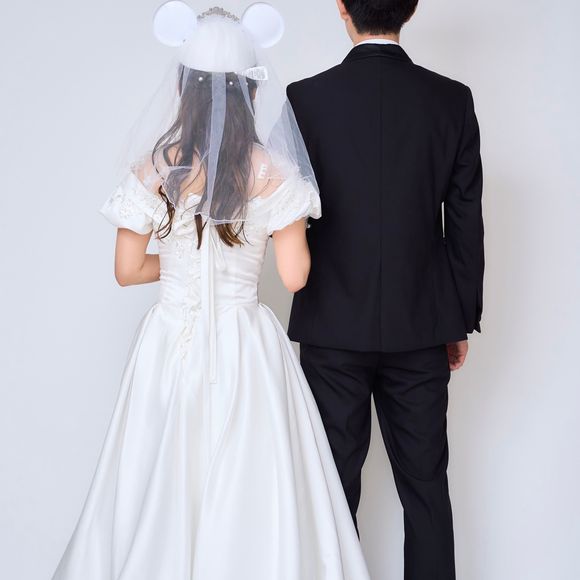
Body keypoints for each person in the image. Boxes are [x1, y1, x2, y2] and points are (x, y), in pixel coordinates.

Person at [51, 4, 370, 579]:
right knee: (256, 476)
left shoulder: (155, 168)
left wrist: (181, 270)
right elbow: (295, 276)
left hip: (170, 337)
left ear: (182, 86)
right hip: (245, 341)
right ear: (251, 91)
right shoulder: (273, 172)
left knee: (157, 473)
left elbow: (127, 269)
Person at [287, 0, 484, 578]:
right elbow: (465, 221)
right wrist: (458, 318)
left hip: (331, 325)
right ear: (411, 9)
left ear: (342, 9)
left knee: (330, 490)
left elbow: (286, 214)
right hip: (422, 323)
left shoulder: (305, 99)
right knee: (426, 490)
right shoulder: (452, 100)